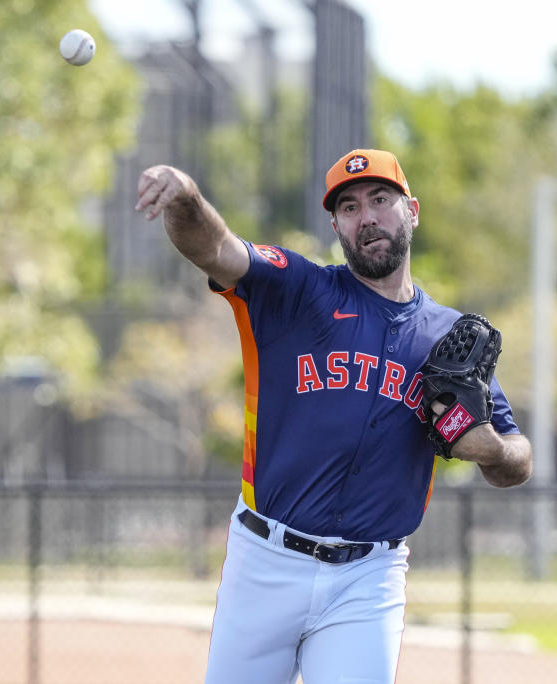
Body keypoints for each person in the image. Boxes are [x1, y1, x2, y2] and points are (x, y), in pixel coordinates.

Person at [135, 149, 532, 684]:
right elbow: (218, 249)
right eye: (348, 207)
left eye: (380, 199)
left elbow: (517, 457)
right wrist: (186, 197)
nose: (366, 216)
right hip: (265, 562)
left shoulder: (450, 337)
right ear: (336, 225)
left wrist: (493, 449)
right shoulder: (299, 290)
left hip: (369, 577)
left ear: (412, 209)